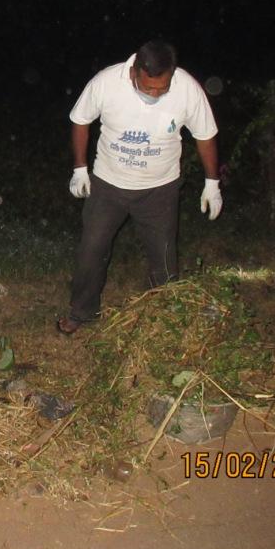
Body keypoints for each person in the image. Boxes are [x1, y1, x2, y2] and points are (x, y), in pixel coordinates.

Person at [61, 39, 221, 335]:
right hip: (108, 185)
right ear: (134, 72)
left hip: (159, 190)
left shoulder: (187, 88)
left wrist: (212, 183)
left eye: (163, 88)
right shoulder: (107, 82)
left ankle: (166, 319)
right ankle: (81, 312)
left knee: (164, 259)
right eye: (149, 88)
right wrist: (80, 168)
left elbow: (205, 135)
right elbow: (80, 120)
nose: (155, 94)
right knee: (91, 250)